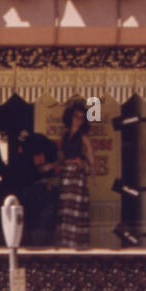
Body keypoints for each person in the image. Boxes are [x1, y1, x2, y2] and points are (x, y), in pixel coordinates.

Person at [55, 98, 94, 249]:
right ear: (70, 117)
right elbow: (60, 156)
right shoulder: (64, 136)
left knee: (76, 210)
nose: (78, 120)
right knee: (66, 210)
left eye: (81, 117)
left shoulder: (83, 137)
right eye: (75, 116)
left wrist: (92, 175)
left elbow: (90, 156)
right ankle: (65, 242)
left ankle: (77, 243)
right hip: (66, 175)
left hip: (77, 174)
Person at [16, 131, 59, 246]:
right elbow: (41, 169)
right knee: (40, 221)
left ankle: (38, 244)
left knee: (41, 221)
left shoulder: (36, 147)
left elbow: (43, 168)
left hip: (40, 189)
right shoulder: (34, 150)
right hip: (36, 189)